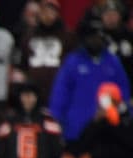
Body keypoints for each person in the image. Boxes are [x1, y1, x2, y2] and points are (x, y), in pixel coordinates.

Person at [49, 18, 130, 149]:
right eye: (92, 36)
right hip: (77, 128)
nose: (95, 40)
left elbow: (124, 91)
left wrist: (126, 116)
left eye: (98, 36)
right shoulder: (73, 61)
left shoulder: (113, 61)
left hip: (109, 129)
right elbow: (60, 93)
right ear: (84, 38)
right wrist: (56, 120)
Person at [0, 82, 64, 158]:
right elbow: (0, 147)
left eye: (31, 96)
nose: (28, 100)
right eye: (24, 96)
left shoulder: (47, 120)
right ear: (19, 97)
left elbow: (57, 149)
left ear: (36, 97)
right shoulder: (10, 121)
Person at [12, 0, 74, 104]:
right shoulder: (28, 35)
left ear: (57, 14)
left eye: (52, 11)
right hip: (34, 90)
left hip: (58, 88)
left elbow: (72, 62)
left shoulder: (67, 36)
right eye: (45, 11)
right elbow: (23, 63)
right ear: (39, 13)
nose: (48, 15)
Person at [70, 81, 133, 158]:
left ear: (118, 101)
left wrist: (115, 122)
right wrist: (96, 123)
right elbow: (80, 147)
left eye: (111, 100)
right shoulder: (97, 121)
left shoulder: (127, 120)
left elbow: (129, 142)